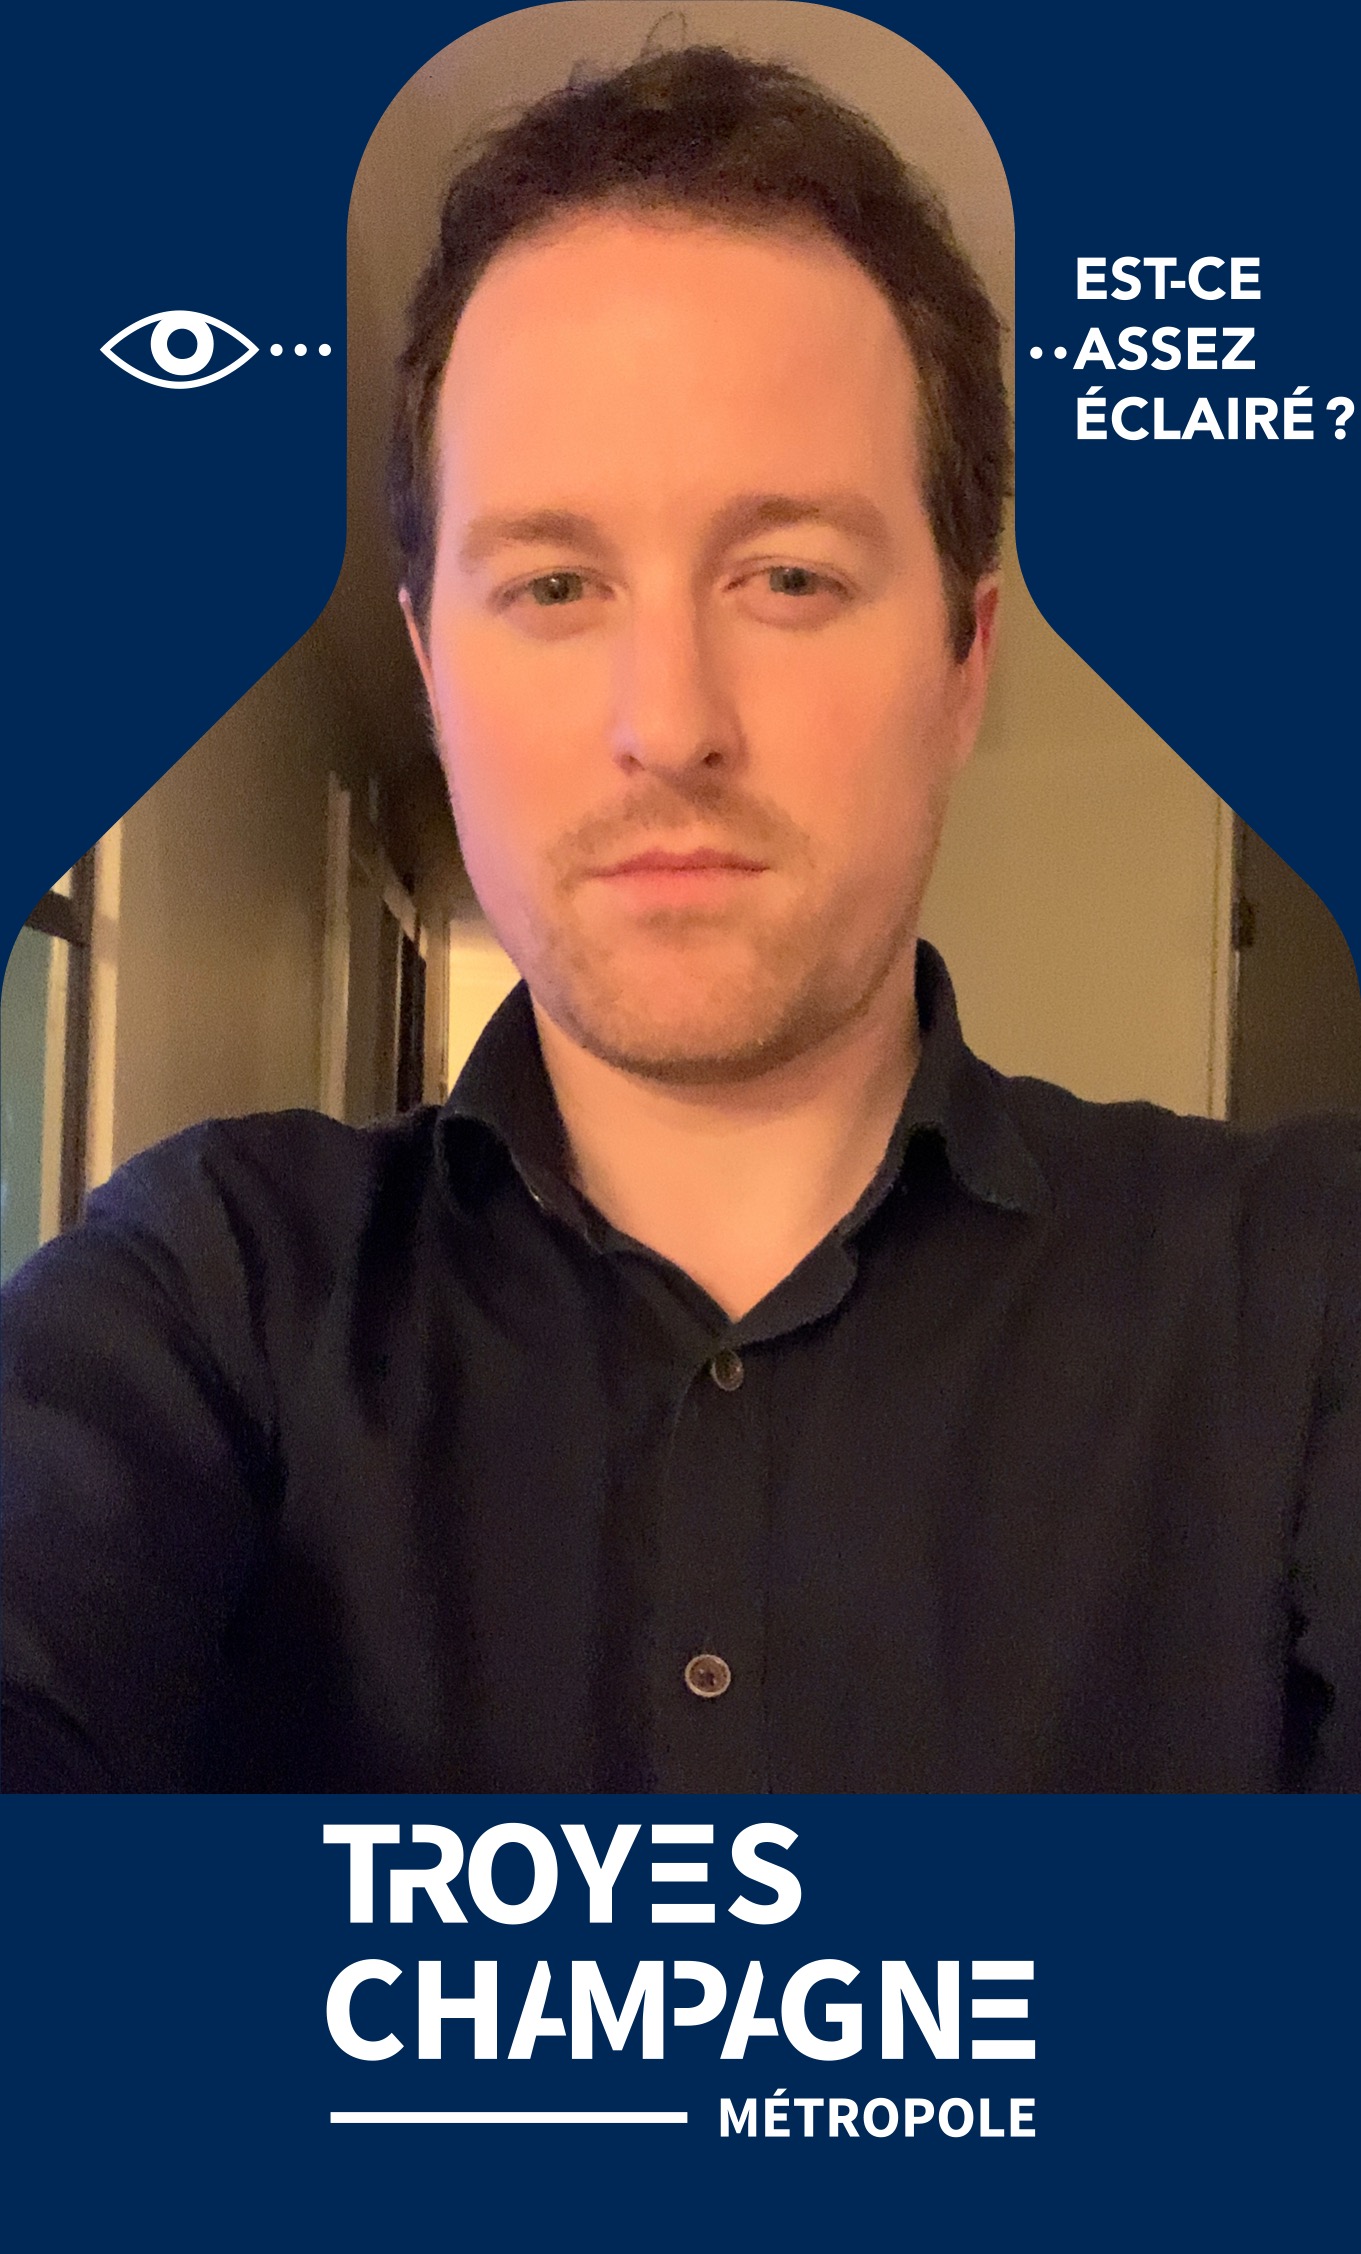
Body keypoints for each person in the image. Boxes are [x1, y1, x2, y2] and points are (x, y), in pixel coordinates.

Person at [3, 46, 1357, 1793]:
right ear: (431, 668)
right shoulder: (208, 1289)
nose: (670, 721)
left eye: (786, 576)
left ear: (962, 661)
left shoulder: (1303, 1294)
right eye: (555, 584)